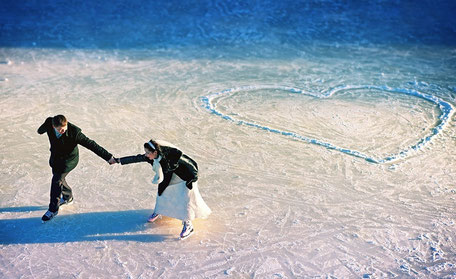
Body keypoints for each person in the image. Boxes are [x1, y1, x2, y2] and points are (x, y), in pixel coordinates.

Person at [117, 139, 211, 239]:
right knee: (163, 193)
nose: (146, 155)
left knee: (184, 200)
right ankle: (160, 210)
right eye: (146, 152)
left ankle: (188, 225)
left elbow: (192, 166)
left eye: (148, 153)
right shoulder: (153, 156)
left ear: (155, 152)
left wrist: (192, 179)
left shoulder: (173, 156)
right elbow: (137, 158)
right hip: (171, 174)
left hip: (186, 178)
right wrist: (118, 160)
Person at [38, 115, 117, 222]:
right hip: (55, 159)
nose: (62, 131)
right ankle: (67, 197)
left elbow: (92, 145)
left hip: (68, 161)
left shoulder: (75, 133)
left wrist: (108, 157)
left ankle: (53, 209)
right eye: (59, 129)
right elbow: (40, 130)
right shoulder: (49, 123)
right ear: (53, 126)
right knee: (59, 180)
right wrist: (41, 130)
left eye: (64, 128)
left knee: (56, 180)